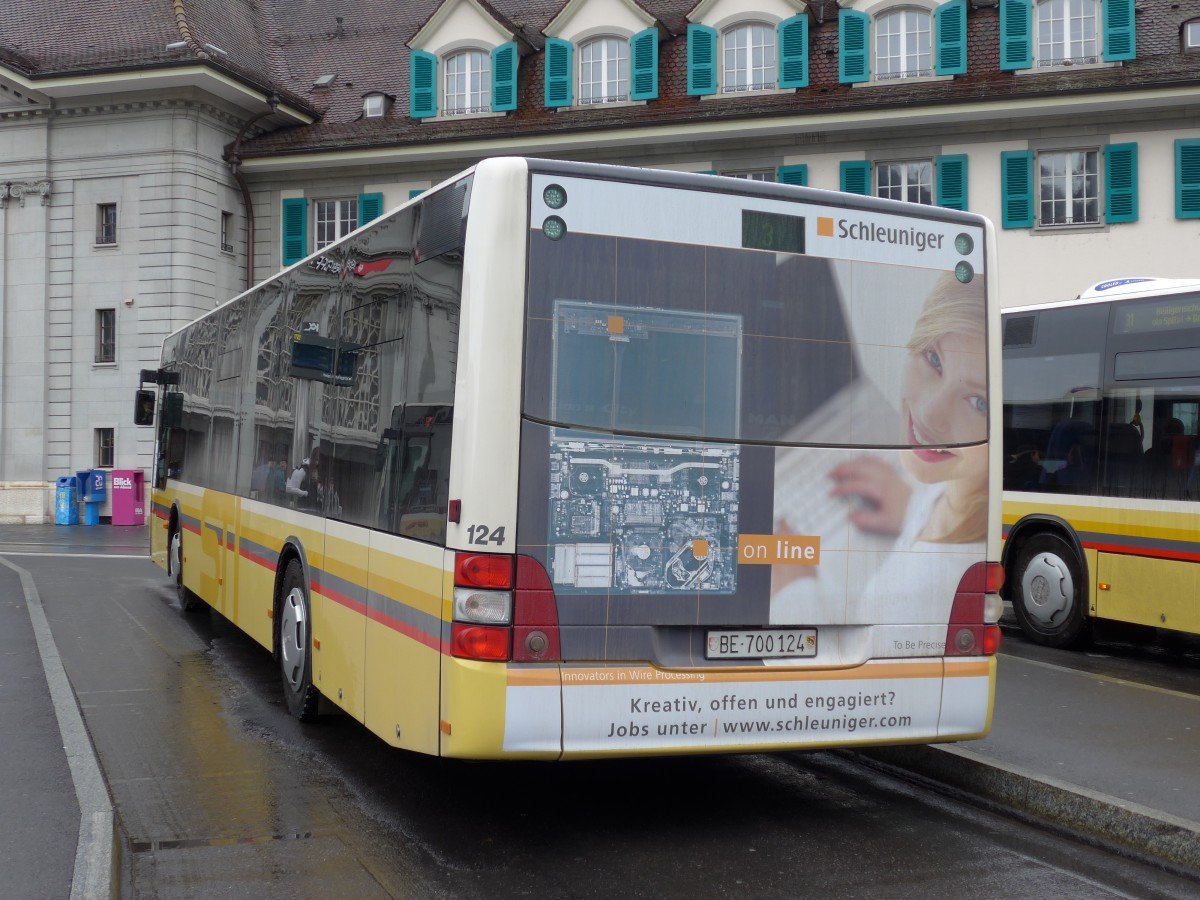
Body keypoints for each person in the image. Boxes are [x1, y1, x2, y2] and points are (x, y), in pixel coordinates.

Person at [771, 272, 988, 625]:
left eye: (979, 402)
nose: (930, 414)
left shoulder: (915, 593)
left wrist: (794, 596)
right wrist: (912, 507)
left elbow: (849, 673)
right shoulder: (955, 500)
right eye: (934, 359)